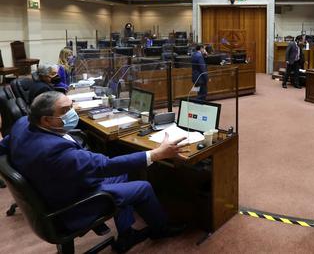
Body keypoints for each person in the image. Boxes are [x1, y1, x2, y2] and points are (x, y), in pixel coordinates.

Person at [0, 92, 187, 252]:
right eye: (65, 111)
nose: (72, 113)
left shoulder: (22, 124)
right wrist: (155, 154)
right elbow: (105, 166)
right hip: (73, 202)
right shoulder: (54, 151)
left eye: (71, 107)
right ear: (46, 120)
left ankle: (127, 234)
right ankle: (160, 230)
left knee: (123, 174)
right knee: (143, 187)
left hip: (54, 187)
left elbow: (3, 147)